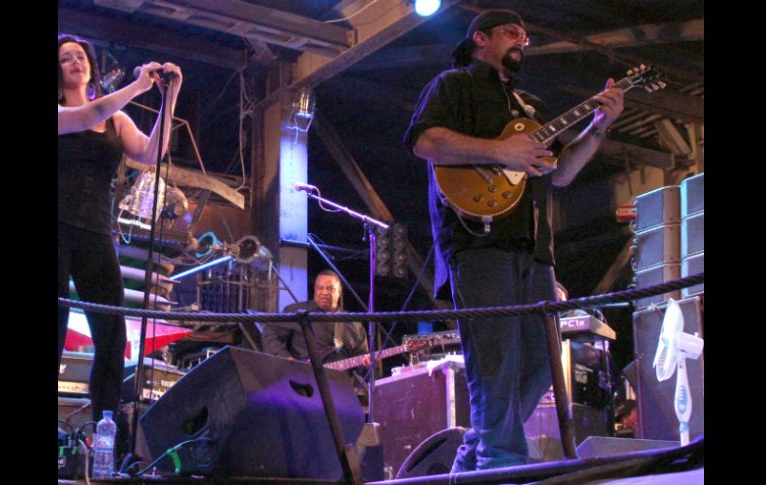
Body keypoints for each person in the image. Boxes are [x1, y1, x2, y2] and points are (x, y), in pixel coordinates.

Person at [403, 9, 624, 471]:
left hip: (535, 252)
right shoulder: (453, 85)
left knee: (543, 361)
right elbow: (424, 140)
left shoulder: (531, 106)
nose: (521, 39)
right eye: (510, 32)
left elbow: (561, 174)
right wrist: (501, 151)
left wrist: (599, 125)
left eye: (525, 34)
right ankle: (502, 467)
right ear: (480, 39)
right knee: (495, 364)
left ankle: (474, 455)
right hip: (477, 243)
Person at [58, 33, 183, 422]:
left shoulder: (116, 118)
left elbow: (150, 152)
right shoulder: (65, 113)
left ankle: (104, 428)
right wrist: (139, 85)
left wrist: (168, 97)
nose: (76, 62)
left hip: (96, 230)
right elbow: (86, 117)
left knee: (112, 333)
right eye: (65, 59)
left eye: (81, 56)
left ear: (91, 66)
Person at [262, 270, 369, 370]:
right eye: (320, 288)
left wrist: (367, 364)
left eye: (330, 289)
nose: (324, 293)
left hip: (339, 384)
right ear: (315, 289)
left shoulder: (353, 323)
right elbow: (270, 333)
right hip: (301, 382)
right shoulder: (297, 312)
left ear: (339, 291)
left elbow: (362, 360)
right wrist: (286, 360)